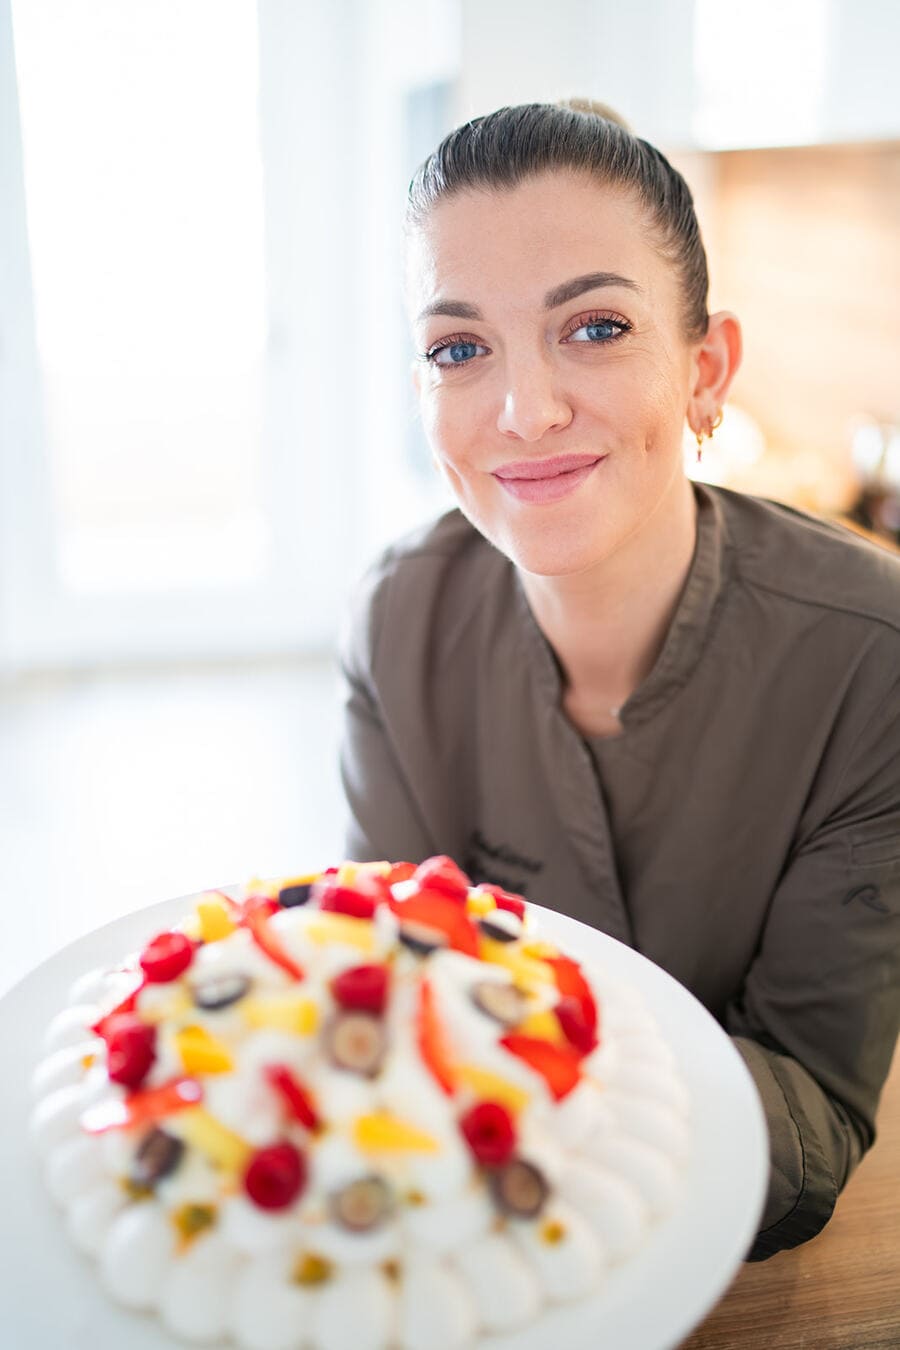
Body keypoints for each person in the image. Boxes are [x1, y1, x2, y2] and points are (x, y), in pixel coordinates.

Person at [337, 99, 900, 1260]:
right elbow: (379, 992)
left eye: (594, 327)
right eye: (459, 347)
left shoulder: (869, 659)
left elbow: (806, 1133)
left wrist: (487, 1052)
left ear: (705, 371)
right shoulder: (396, 623)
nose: (526, 410)